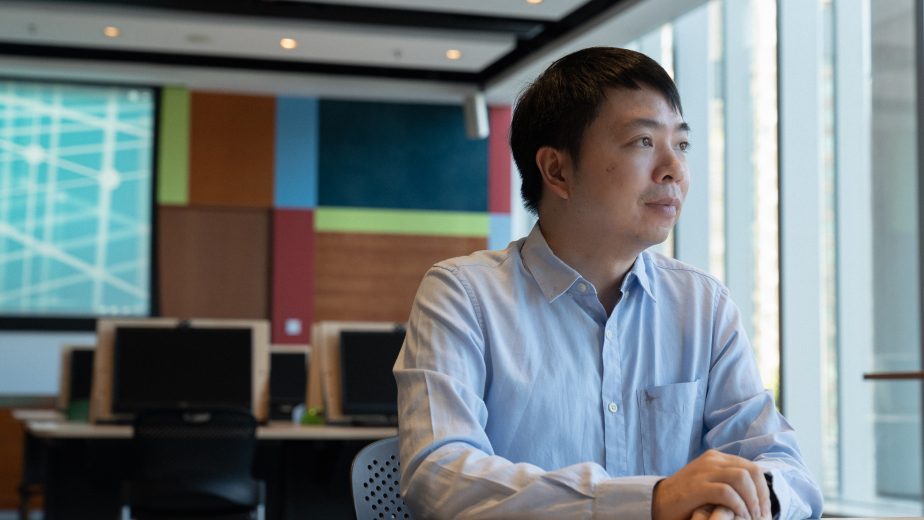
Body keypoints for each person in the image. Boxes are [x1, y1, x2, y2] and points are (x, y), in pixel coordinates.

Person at [393, 47, 823, 520]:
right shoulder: (462, 295)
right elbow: (438, 474)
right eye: (643, 142)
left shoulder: (701, 304)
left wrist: (743, 503)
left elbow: (785, 467)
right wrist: (649, 501)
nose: (674, 170)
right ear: (557, 170)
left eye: (681, 145)